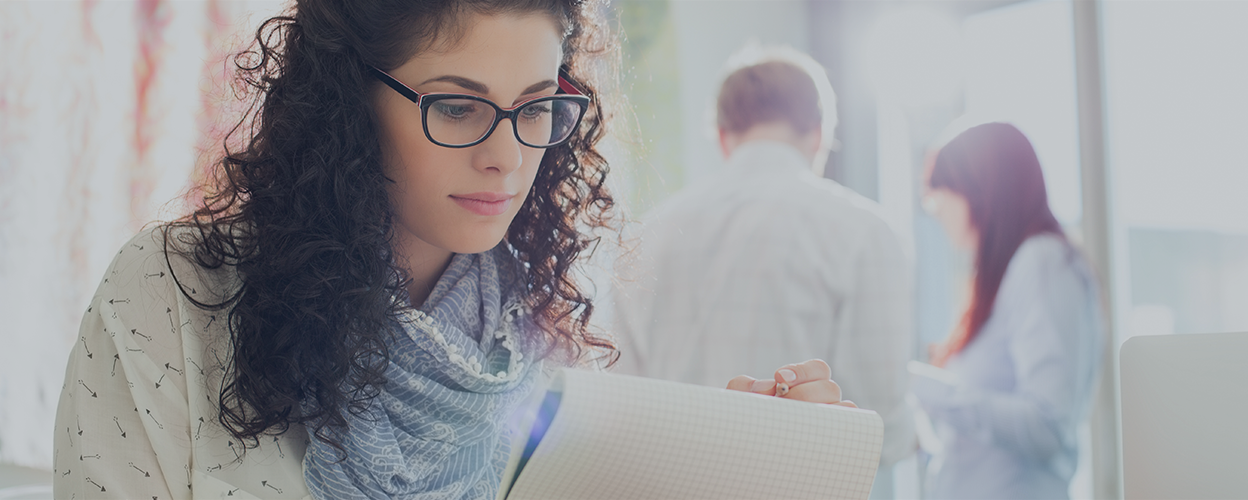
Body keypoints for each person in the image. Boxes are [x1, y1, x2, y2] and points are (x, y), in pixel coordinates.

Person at [52, 2, 852, 498]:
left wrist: (758, 463)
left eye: (537, 108)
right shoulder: (172, 292)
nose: (507, 157)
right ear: (344, 99)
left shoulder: (547, 338)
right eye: (459, 107)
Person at [609, 46, 916, 493]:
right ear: (819, 134)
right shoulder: (868, 232)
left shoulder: (644, 237)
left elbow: (624, 410)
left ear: (721, 135)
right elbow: (880, 425)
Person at [911, 121, 1104, 499]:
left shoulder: (1042, 262)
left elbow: (1048, 425)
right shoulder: (1007, 273)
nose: (937, 212)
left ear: (978, 191)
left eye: (941, 196)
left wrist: (927, 390)